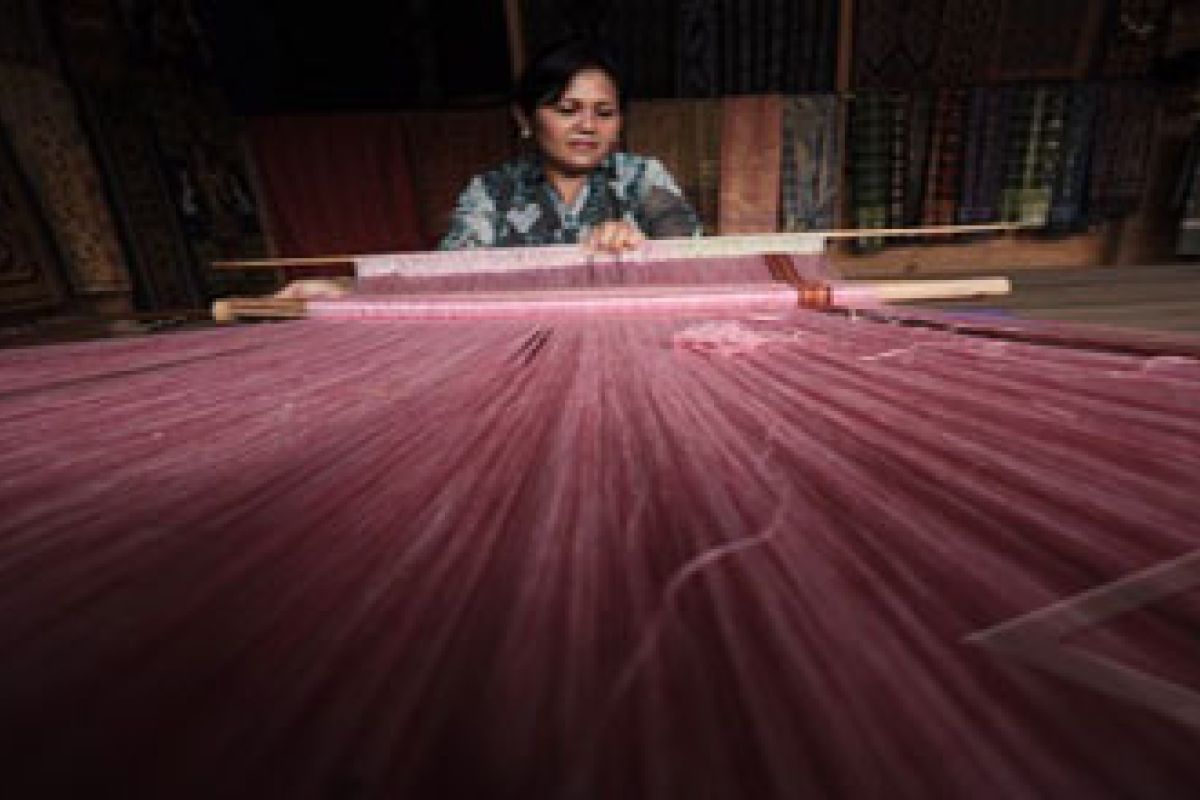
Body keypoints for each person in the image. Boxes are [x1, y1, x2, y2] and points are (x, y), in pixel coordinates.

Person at [440, 37, 702, 253]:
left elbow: (686, 252)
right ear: (524, 117)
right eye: (567, 110)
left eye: (604, 113)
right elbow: (457, 277)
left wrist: (637, 244)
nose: (588, 126)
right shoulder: (492, 192)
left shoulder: (641, 177)